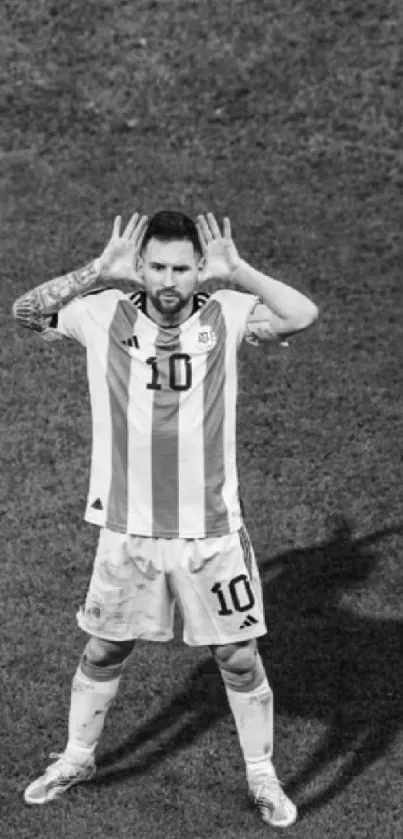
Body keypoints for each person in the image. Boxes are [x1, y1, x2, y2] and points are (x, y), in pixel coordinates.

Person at [12, 209, 318, 828]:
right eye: (157, 267)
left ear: (199, 267)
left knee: (237, 657)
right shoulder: (101, 312)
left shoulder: (228, 311)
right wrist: (97, 271)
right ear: (143, 265)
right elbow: (25, 312)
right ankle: (76, 758)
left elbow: (300, 315)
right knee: (103, 648)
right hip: (127, 531)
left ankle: (262, 776)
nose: (169, 280)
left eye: (182, 267)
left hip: (211, 533)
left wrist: (243, 273)